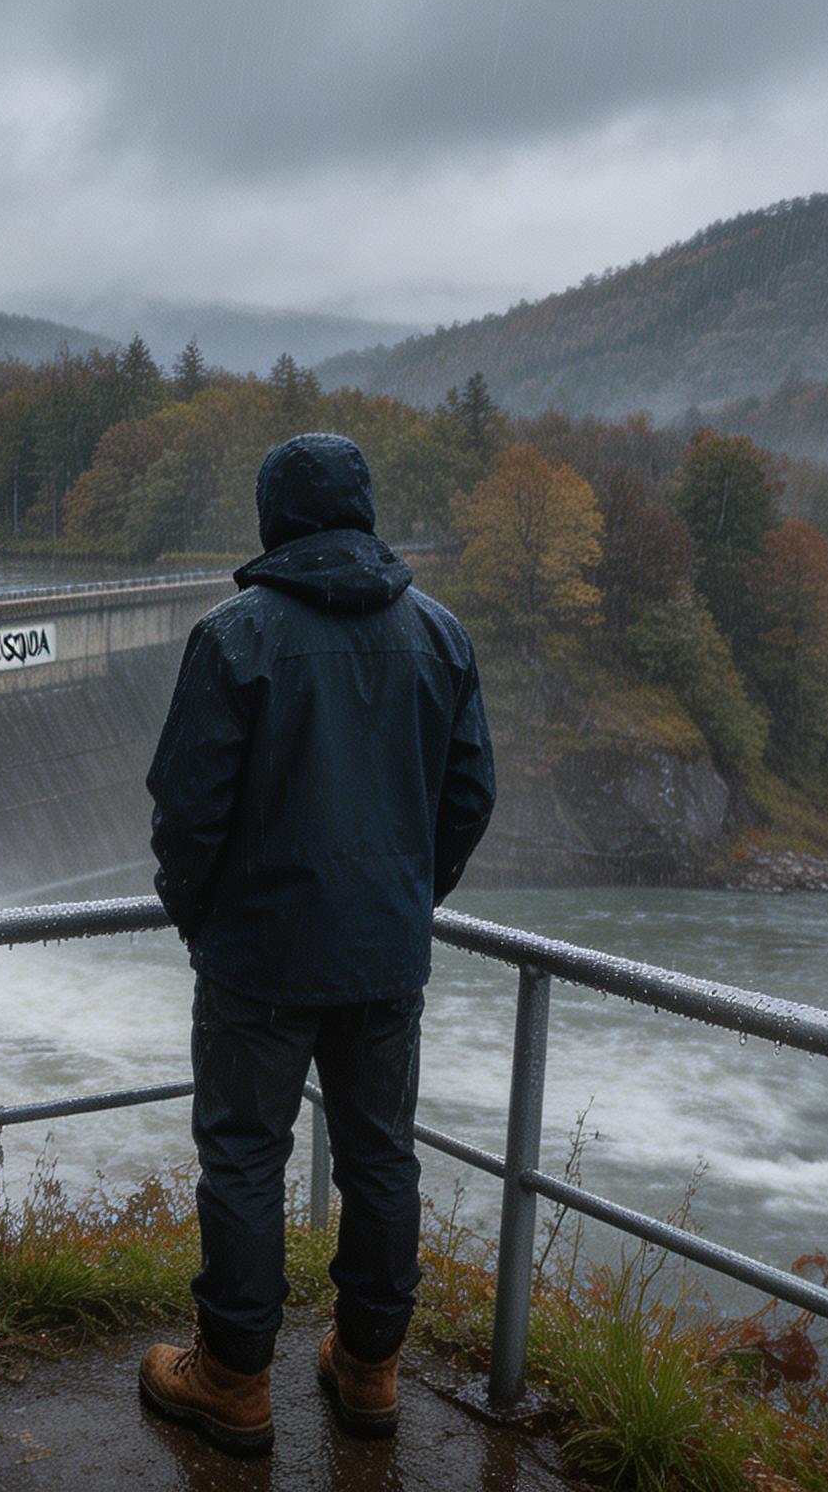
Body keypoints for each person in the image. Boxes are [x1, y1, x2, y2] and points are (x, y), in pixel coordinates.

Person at [136, 432, 495, 1452]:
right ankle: (370, 1369)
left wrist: (202, 916)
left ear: (273, 518)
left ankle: (234, 1382)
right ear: (365, 513)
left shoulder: (234, 636)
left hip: (258, 956)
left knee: (246, 1157)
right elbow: (469, 797)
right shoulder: (441, 634)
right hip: (383, 956)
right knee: (382, 1156)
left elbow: (186, 810)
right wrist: (407, 899)